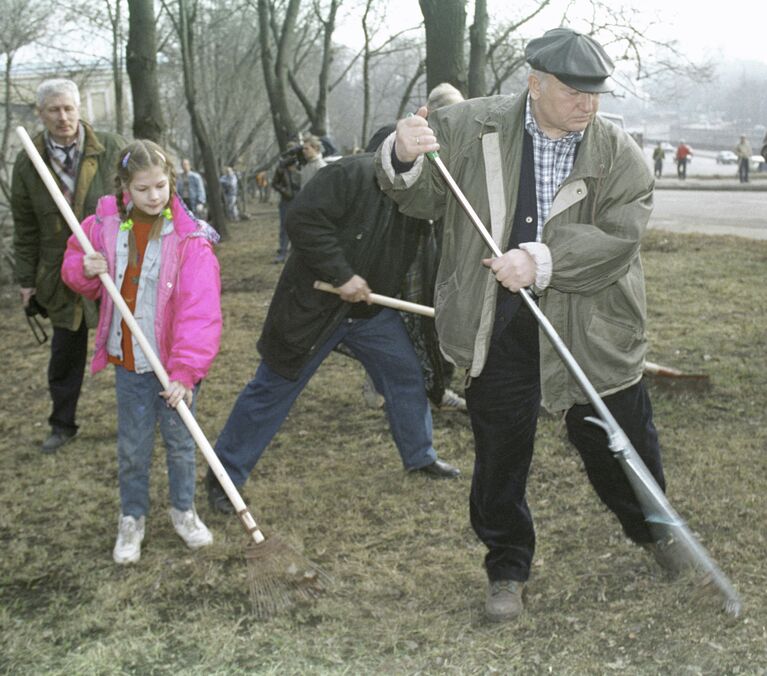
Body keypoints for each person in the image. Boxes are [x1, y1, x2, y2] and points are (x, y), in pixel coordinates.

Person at [376, 27, 672, 623]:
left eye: (596, 93)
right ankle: (507, 568)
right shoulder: (469, 127)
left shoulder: (617, 152)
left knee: (618, 441)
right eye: (573, 92)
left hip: (591, 324)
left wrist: (541, 260)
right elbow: (422, 199)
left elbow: (622, 235)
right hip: (498, 323)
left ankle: (658, 534)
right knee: (500, 455)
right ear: (534, 83)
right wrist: (402, 154)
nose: (588, 105)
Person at [205, 127, 460, 515]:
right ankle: (224, 478)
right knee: (272, 389)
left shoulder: (416, 198)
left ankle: (420, 455)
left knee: (405, 374)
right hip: (314, 308)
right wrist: (342, 275)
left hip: (371, 314)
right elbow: (303, 222)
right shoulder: (348, 176)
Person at [61, 140, 222, 564]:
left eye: (161, 186)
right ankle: (132, 517)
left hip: (174, 368)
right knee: (133, 446)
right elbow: (76, 265)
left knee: (180, 443)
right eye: (143, 189)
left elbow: (200, 312)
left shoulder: (191, 240)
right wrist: (85, 268)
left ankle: (183, 511)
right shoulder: (104, 224)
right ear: (124, 188)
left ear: (171, 182)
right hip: (129, 361)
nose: (154, 196)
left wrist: (186, 371)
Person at [11, 78, 126, 454]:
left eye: (69, 109)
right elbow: (25, 228)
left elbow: (139, 204)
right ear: (40, 114)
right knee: (64, 354)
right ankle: (62, 424)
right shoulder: (29, 161)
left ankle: (136, 418)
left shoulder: (113, 148)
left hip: (112, 267)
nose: (63, 117)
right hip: (60, 274)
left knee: (126, 346)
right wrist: (27, 281)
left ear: (79, 109)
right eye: (54, 110)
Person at [271, 154, 301, 263]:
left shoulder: (300, 167)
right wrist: (285, 191)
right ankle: (282, 252)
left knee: (298, 226)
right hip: (286, 201)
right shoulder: (281, 170)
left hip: (299, 199)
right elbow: (274, 183)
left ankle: (294, 252)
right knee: (285, 227)